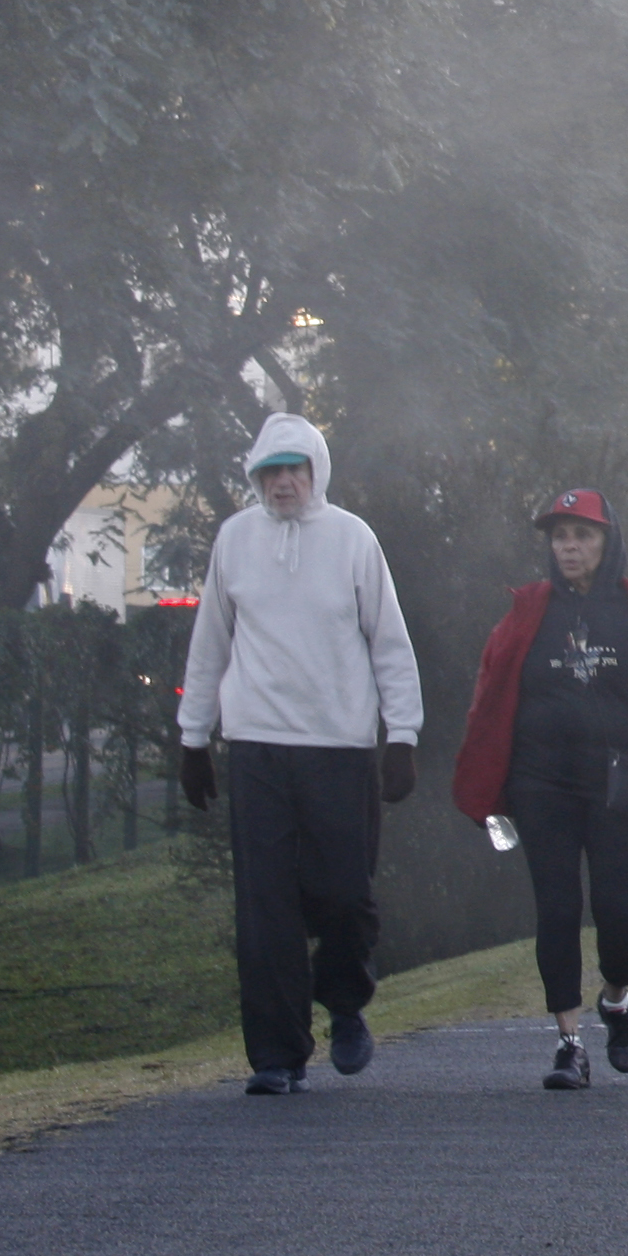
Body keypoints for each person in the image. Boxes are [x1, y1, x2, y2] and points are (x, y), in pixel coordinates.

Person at [172, 414, 426, 1097]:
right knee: (266, 908)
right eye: (270, 472)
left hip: (338, 746)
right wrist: (193, 738)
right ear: (256, 476)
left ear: (316, 472)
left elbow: (389, 643)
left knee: (343, 894)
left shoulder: (351, 540)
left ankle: (345, 1003)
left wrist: (401, 735)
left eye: (295, 470)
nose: (283, 483)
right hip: (257, 745)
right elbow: (211, 643)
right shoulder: (236, 539)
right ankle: (277, 1055)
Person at [451, 487, 628, 1090]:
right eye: (560, 537)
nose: (569, 547)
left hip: (620, 784)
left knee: (621, 913)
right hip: (542, 785)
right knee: (558, 910)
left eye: (582, 535)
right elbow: (488, 698)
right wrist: (486, 781)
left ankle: (616, 1002)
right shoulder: (526, 613)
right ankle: (569, 1045)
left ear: (607, 541)